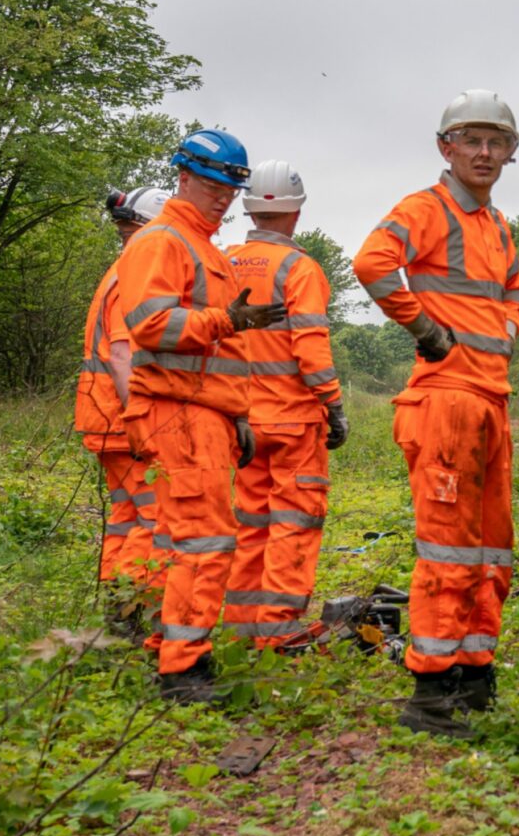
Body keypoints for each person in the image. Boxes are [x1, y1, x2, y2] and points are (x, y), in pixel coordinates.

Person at [352, 89, 519, 738]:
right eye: (471, 139)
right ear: (445, 147)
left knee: (491, 549)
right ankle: (429, 694)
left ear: (510, 152)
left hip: (491, 398)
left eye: (496, 141)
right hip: (447, 400)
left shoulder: (497, 226)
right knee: (449, 549)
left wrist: (506, 333)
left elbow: (515, 287)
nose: (484, 151)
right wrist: (425, 329)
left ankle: (474, 670)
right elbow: (371, 263)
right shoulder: (424, 209)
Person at [114, 129, 287, 704]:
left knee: (187, 540)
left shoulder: (207, 248)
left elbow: (223, 358)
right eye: (213, 184)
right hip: (177, 413)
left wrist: (236, 413)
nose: (223, 197)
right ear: (183, 176)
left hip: (203, 414)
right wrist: (225, 321)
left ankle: (170, 645)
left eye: (232, 187)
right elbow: (150, 325)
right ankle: (182, 671)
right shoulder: (162, 241)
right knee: (204, 541)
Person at [223, 160, 349, 647]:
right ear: (297, 212)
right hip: (294, 422)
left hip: (243, 423)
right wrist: (333, 406)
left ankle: (239, 629)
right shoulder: (300, 269)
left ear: (248, 208)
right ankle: (278, 631)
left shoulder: (225, 263)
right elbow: (311, 349)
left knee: (251, 522)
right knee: (295, 523)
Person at [75, 185, 167, 630]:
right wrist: (140, 419)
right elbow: (121, 355)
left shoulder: (116, 271)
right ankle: (129, 612)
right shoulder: (134, 275)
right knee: (157, 516)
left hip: (104, 417)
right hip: (123, 418)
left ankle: (116, 607)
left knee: (125, 516)